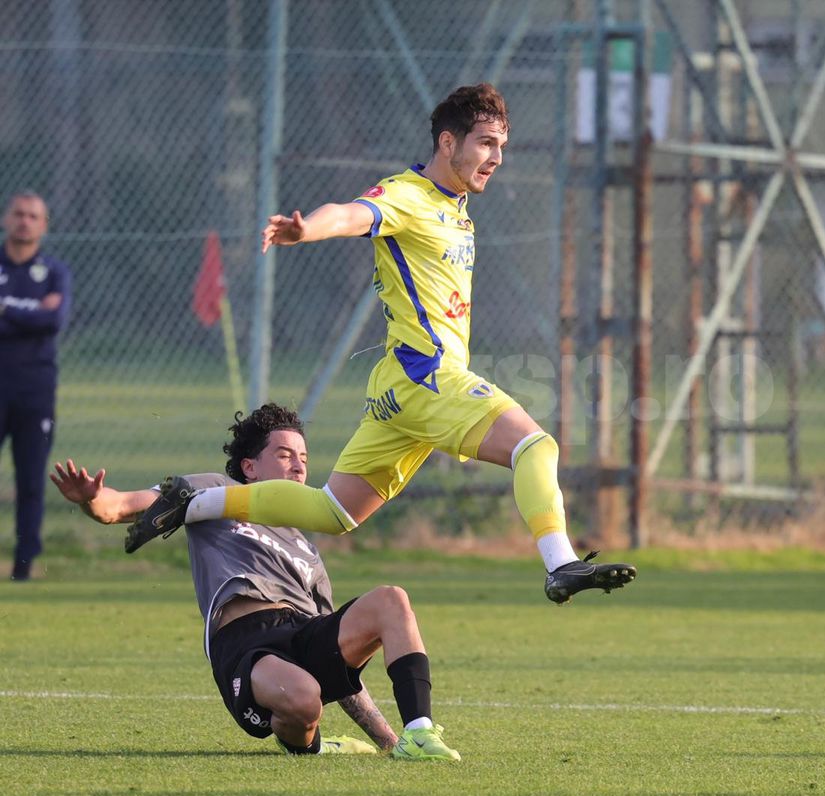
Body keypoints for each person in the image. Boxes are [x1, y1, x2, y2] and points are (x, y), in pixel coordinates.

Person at [127, 83, 636, 604]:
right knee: (536, 445)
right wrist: (307, 231)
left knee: (334, 511)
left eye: (501, 146)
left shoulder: (455, 208)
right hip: (426, 376)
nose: (496, 158)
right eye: (485, 144)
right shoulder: (408, 195)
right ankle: (561, 563)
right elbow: (352, 214)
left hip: (399, 382)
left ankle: (196, 502)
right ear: (447, 142)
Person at [50, 403, 461, 761]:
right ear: (250, 467)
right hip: (246, 644)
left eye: (303, 456)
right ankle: (311, 745)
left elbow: (340, 672)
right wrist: (91, 499)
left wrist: (385, 741)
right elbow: (121, 507)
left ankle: (417, 733)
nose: (298, 465)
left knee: (391, 600)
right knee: (303, 698)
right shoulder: (216, 492)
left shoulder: (306, 548)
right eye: (284, 454)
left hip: (302, 635)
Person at [2, 191, 72, 581]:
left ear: (43, 226)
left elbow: (54, 320)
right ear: (5, 219)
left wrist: (5, 308)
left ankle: (23, 569)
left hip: (35, 390)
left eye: (33, 216)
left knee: (31, 480)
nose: (25, 221)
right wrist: (31, 312)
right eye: (18, 214)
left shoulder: (55, 272)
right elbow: (40, 317)